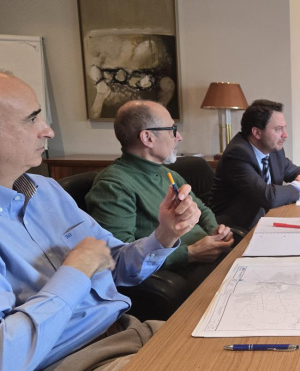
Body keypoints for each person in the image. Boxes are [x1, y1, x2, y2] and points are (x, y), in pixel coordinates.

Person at [0, 72, 201, 369]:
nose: (49, 131)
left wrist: (165, 234)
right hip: (76, 359)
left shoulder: (48, 192)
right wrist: (76, 271)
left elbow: (116, 263)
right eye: (32, 119)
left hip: (130, 331)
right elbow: (6, 356)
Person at [85, 100, 234, 291]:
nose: (178, 137)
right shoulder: (113, 186)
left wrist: (216, 231)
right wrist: (191, 253)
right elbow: (120, 258)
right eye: (172, 129)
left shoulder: (165, 173)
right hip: (181, 272)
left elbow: (201, 209)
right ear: (147, 138)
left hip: (207, 257)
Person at [209, 99, 300, 230]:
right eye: (278, 129)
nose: (285, 135)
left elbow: (296, 172)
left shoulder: (274, 150)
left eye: (284, 128)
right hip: (236, 228)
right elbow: (268, 197)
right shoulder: (237, 154)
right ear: (257, 132)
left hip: (268, 221)